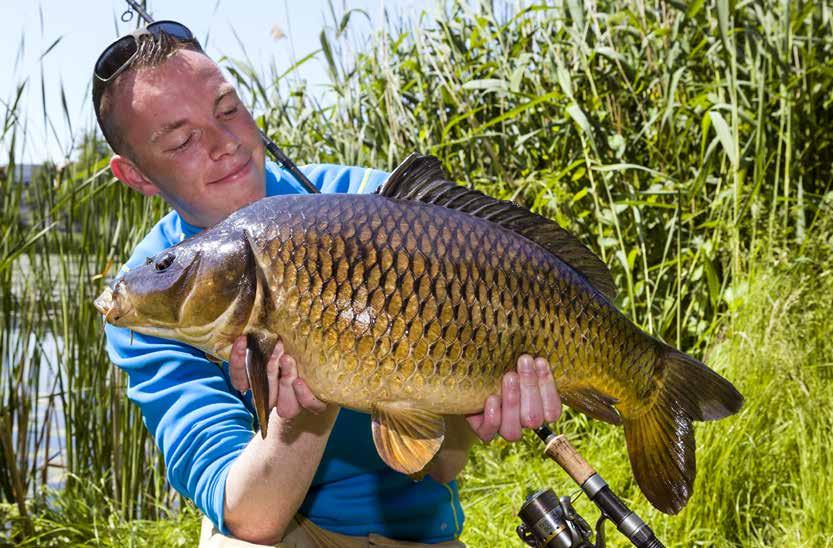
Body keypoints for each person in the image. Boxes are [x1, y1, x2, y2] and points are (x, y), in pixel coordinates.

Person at [94, 21, 562, 547]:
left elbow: (443, 465)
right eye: (181, 140)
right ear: (136, 176)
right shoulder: (155, 299)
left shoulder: (368, 205)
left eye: (228, 110)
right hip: (283, 522)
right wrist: (302, 419)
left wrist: (481, 396)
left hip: (415, 530)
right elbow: (246, 514)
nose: (226, 143)